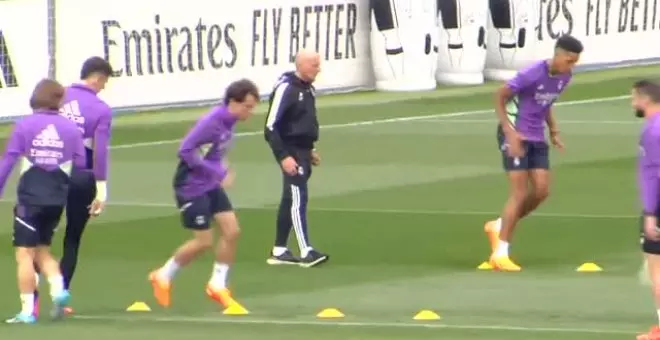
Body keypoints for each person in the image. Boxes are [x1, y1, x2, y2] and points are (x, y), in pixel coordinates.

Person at [149, 78, 259, 310]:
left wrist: (223, 169)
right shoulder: (213, 121)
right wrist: (216, 172)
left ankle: (217, 284)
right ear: (233, 102)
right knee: (204, 242)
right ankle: (163, 275)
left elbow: (214, 152)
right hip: (190, 186)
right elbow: (185, 150)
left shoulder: (229, 123)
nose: (251, 111)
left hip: (209, 184)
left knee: (232, 231)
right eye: (247, 106)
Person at [484, 35, 583, 271]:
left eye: (575, 62)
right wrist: (509, 132)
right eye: (569, 61)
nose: (571, 66)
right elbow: (499, 95)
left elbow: (545, 104)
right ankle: (500, 253)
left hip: (537, 136)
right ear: (557, 55)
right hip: (516, 135)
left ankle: (498, 225)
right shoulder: (532, 73)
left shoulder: (564, 77)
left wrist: (554, 130)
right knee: (519, 192)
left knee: (541, 191)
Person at [34, 56, 114, 316]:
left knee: (40, 239)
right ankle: (60, 300)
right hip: (81, 176)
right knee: (72, 239)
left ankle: (30, 301)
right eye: (104, 82)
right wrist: (102, 188)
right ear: (97, 77)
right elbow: (99, 152)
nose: (103, 88)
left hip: (51, 172)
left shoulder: (58, 95)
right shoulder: (101, 109)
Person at [2, 79, 87, 324]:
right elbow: (81, 166)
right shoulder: (71, 129)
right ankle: (59, 289)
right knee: (43, 251)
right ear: (58, 100)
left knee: (24, 255)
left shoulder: (25, 126)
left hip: (30, 198)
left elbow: (8, 161)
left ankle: (27, 311)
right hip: (56, 199)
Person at [264, 49, 329, 268]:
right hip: (290, 152)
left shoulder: (308, 89)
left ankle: (279, 249)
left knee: (289, 199)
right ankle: (306, 250)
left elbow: (303, 122)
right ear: (300, 65)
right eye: (314, 64)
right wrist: (284, 157)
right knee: (298, 198)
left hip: (302, 152)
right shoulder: (287, 88)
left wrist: (310, 150)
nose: (318, 69)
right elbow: (271, 126)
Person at [632, 79, 660, 340]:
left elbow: (653, 175)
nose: (633, 103)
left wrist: (650, 213)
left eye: (634, 98)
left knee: (657, 268)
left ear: (645, 99)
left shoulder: (652, 131)